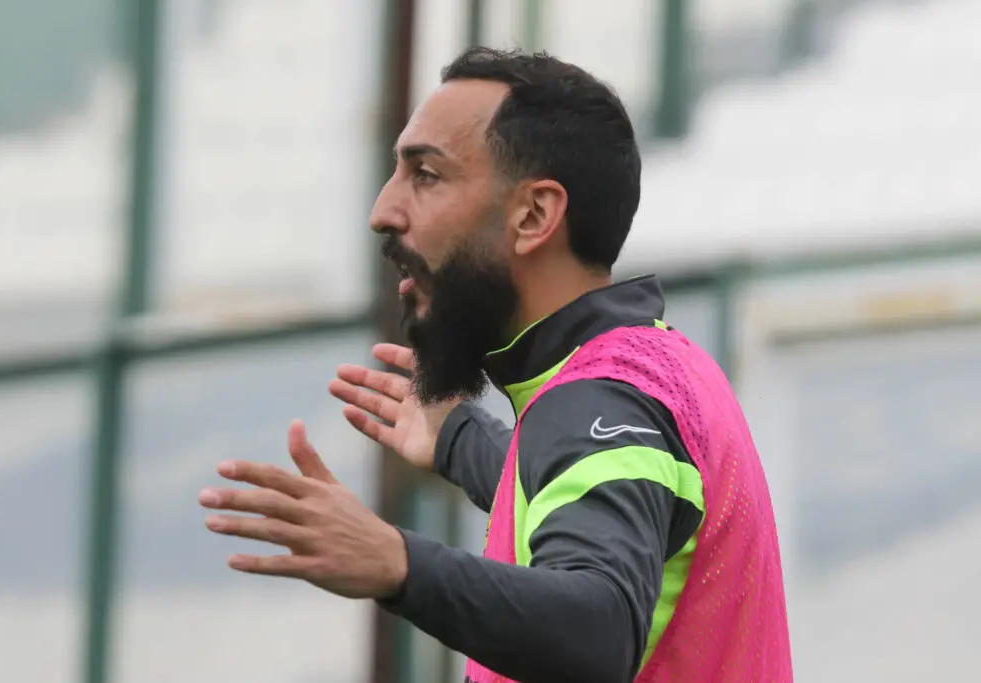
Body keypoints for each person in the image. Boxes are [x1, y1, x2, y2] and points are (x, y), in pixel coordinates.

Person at [199, 47, 792, 683]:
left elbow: (600, 627)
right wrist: (463, 442)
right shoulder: (658, 367)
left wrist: (397, 562)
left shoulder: (601, 397)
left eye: (426, 175)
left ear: (533, 216)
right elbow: (584, 491)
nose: (383, 212)